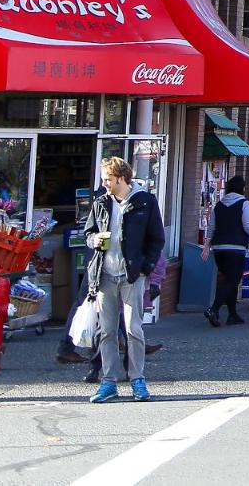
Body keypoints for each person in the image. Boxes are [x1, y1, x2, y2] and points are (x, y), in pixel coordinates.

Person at [82, 156, 165, 403]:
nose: (104, 183)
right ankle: (109, 381)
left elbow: (156, 238)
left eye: (108, 179)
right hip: (105, 274)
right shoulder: (101, 202)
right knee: (106, 330)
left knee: (133, 328)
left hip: (132, 274)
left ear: (121, 178)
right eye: (103, 179)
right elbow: (88, 232)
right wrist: (93, 240)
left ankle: (137, 379)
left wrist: (145, 267)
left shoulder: (145, 202)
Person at [202, 175, 249, 327]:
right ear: (242, 189)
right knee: (233, 279)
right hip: (236, 247)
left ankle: (232, 314)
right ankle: (214, 309)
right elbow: (248, 225)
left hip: (219, 248)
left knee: (228, 279)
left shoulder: (219, 205)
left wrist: (207, 244)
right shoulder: (244, 204)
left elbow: (211, 227)